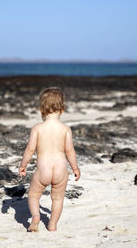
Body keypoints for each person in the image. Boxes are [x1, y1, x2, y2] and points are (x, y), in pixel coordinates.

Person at [19, 87, 81, 232]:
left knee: (33, 195)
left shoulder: (37, 128)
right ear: (62, 110)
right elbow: (70, 151)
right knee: (58, 198)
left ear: (42, 110)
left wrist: (23, 165)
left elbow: (29, 149)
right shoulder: (65, 129)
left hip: (43, 171)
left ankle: (35, 218)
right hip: (61, 171)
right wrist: (75, 168)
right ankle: (52, 224)